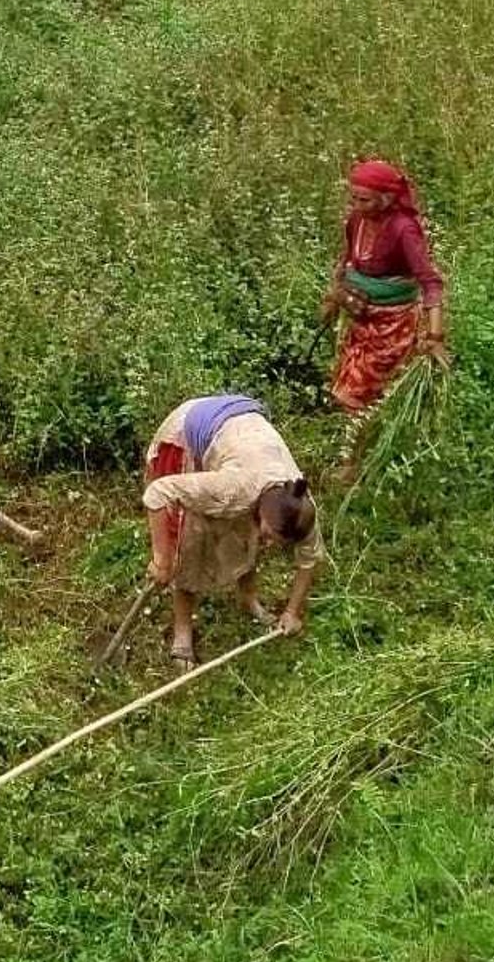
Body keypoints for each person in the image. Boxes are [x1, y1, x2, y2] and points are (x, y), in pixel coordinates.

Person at [142, 393, 323, 666]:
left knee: (248, 538)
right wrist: (162, 559)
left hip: (241, 436)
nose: (272, 545)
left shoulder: (299, 505)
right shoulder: (232, 490)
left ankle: (248, 599)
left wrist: (292, 612)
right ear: (262, 510)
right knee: (191, 541)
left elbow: (309, 559)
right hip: (188, 431)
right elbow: (158, 493)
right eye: (271, 535)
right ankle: (182, 633)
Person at [324, 160, 447, 478]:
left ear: (388, 198)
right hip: (359, 319)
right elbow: (346, 259)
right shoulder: (356, 221)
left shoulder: (403, 230)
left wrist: (434, 338)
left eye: (364, 199)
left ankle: (351, 464)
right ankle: (358, 450)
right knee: (354, 390)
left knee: (357, 394)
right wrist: (334, 296)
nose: (357, 206)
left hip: (391, 327)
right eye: (354, 198)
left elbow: (430, 282)